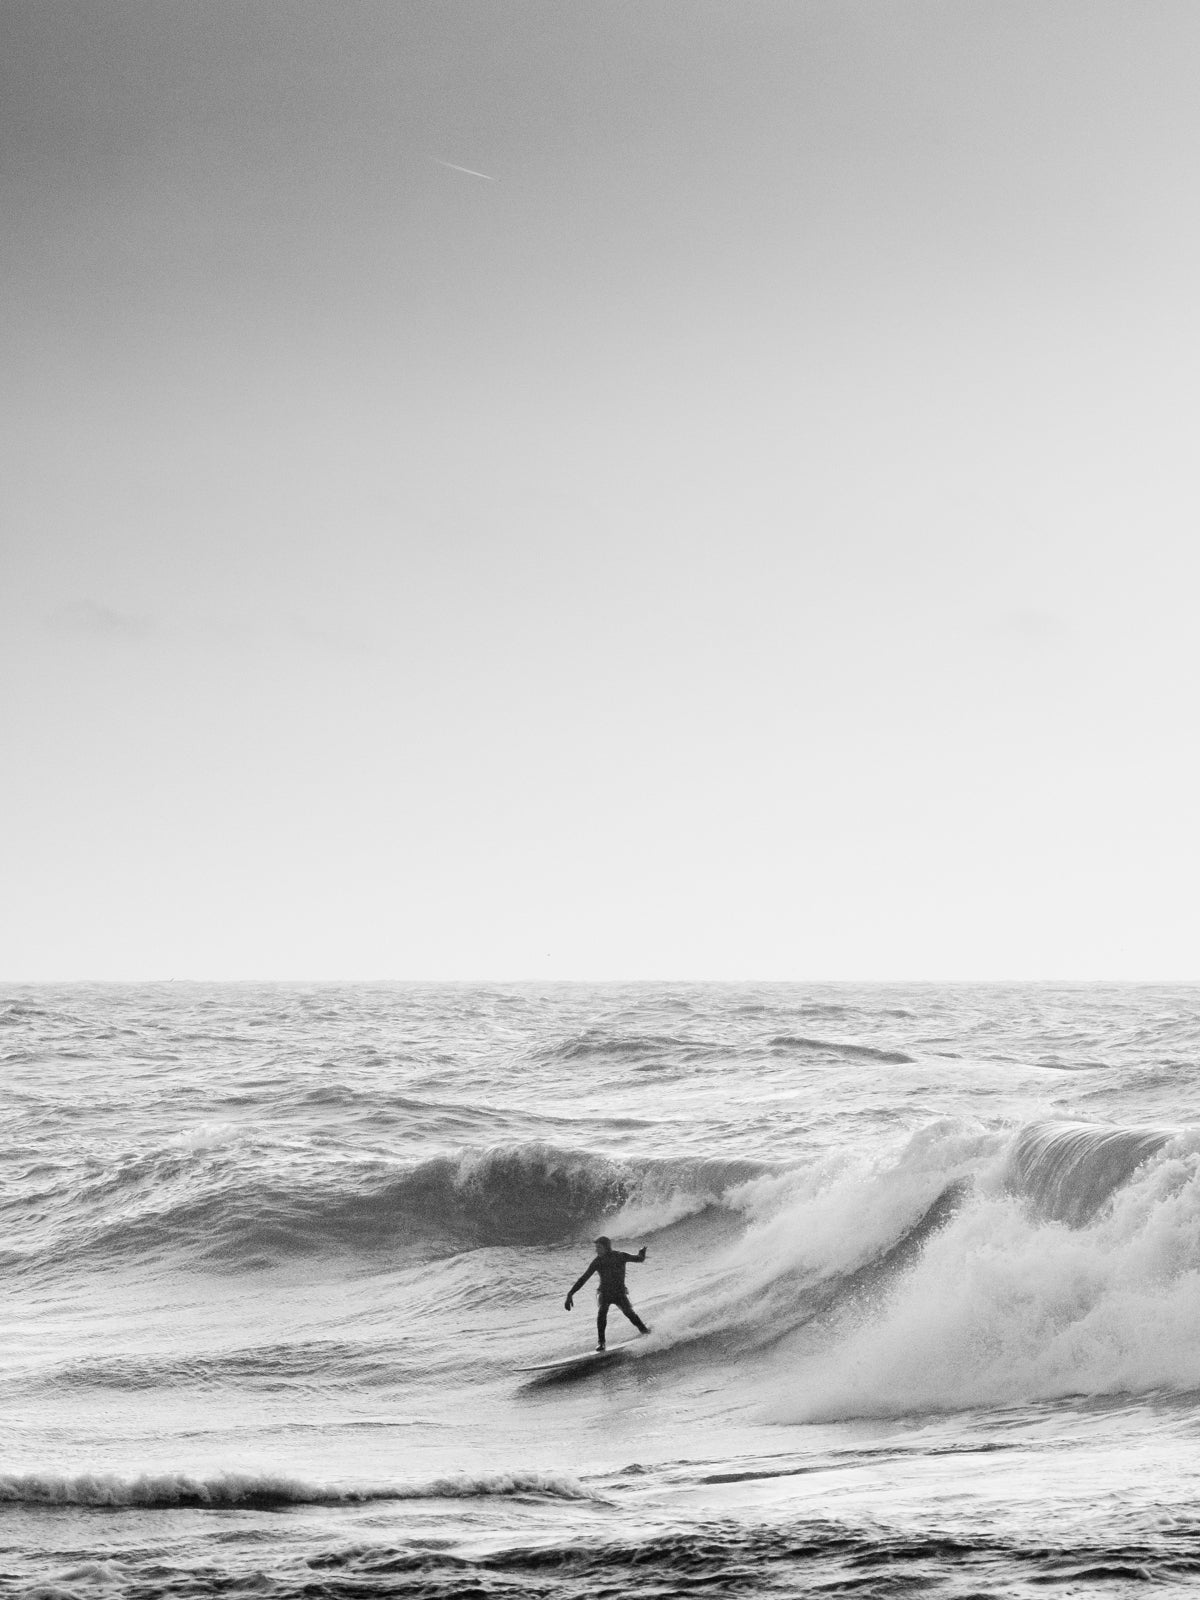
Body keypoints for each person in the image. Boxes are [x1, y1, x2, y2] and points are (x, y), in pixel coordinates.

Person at [564, 1236, 650, 1351]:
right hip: (604, 1293)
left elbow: (639, 1259)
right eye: (596, 1247)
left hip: (619, 1292)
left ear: (606, 1247)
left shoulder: (620, 1256)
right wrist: (570, 1293)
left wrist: (641, 1253)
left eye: (599, 1247)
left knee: (629, 1313)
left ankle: (645, 1332)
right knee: (602, 1312)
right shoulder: (597, 1262)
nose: (596, 1250)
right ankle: (601, 1343)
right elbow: (583, 1278)